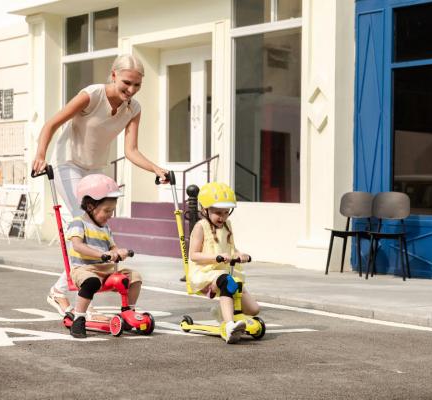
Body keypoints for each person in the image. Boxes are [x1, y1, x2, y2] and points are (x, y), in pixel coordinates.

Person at [30, 54, 167, 317]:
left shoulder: (133, 108)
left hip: (94, 169)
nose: (131, 90)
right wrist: (40, 155)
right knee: (86, 227)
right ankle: (71, 291)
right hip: (67, 163)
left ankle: (64, 290)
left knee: (98, 233)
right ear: (113, 75)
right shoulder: (91, 95)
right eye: (127, 83)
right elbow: (52, 124)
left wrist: (156, 168)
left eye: (137, 85)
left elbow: (132, 150)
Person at [67, 174, 142, 338]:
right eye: (107, 210)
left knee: (135, 277)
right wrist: (102, 255)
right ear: (89, 206)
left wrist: (119, 252)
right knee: (91, 281)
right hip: (84, 269)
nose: (110, 215)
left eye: (112, 211)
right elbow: (78, 246)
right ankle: (79, 319)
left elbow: (112, 247)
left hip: (107, 272)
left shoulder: (105, 228)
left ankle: (128, 311)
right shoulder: (78, 223)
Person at [188, 182, 260, 344]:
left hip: (226, 272)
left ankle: (221, 311)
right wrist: (217, 257)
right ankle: (229, 326)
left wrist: (239, 254)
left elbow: (231, 249)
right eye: (218, 212)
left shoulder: (228, 225)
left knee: (253, 309)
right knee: (227, 282)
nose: (223, 217)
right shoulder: (201, 227)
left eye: (226, 212)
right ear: (204, 210)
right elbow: (193, 255)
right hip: (206, 274)